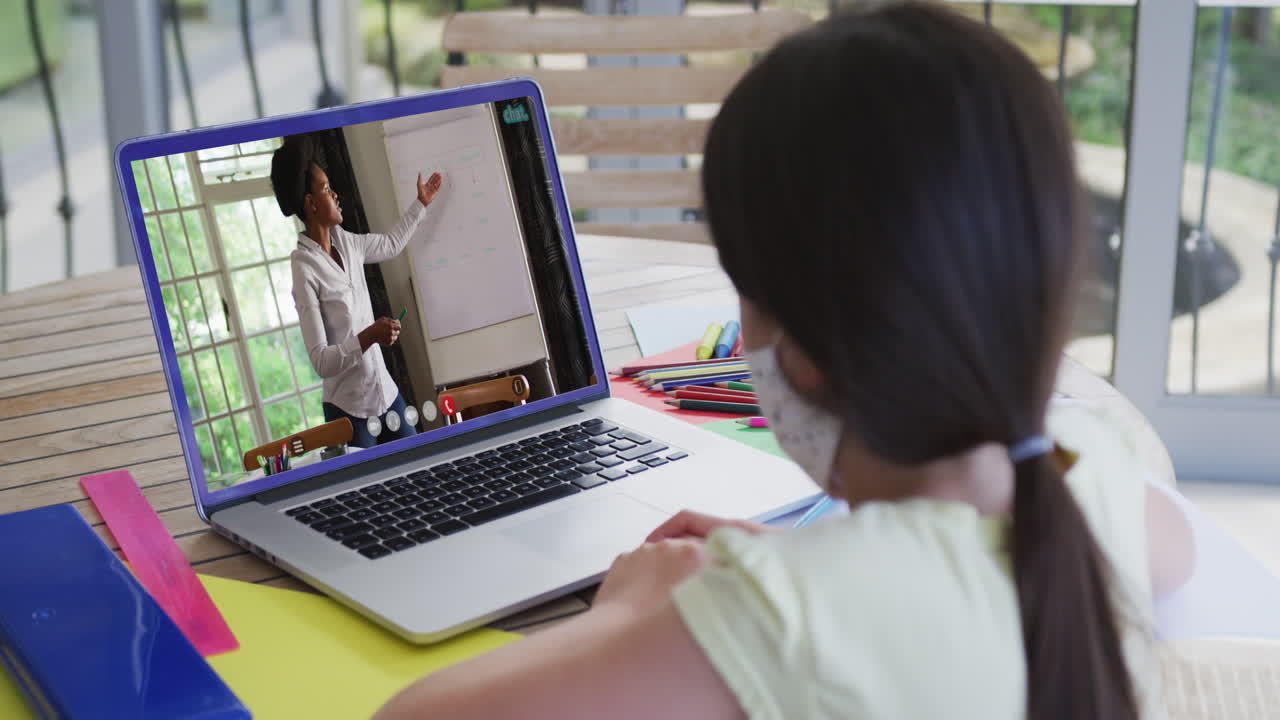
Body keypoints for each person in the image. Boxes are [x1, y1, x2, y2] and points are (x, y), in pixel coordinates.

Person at [374, 4, 1195, 718]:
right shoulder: (1097, 478)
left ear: (798, 356)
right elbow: (1169, 550)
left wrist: (629, 616)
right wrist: (808, 565)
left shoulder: (779, 620)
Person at [270, 137, 443, 448]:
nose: (336, 194)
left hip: (385, 394)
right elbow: (322, 361)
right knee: (370, 496)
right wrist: (370, 336)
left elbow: (391, 244)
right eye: (325, 189)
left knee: (421, 473)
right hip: (347, 412)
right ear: (311, 204)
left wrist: (422, 203)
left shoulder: (347, 242)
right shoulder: (304, 267)